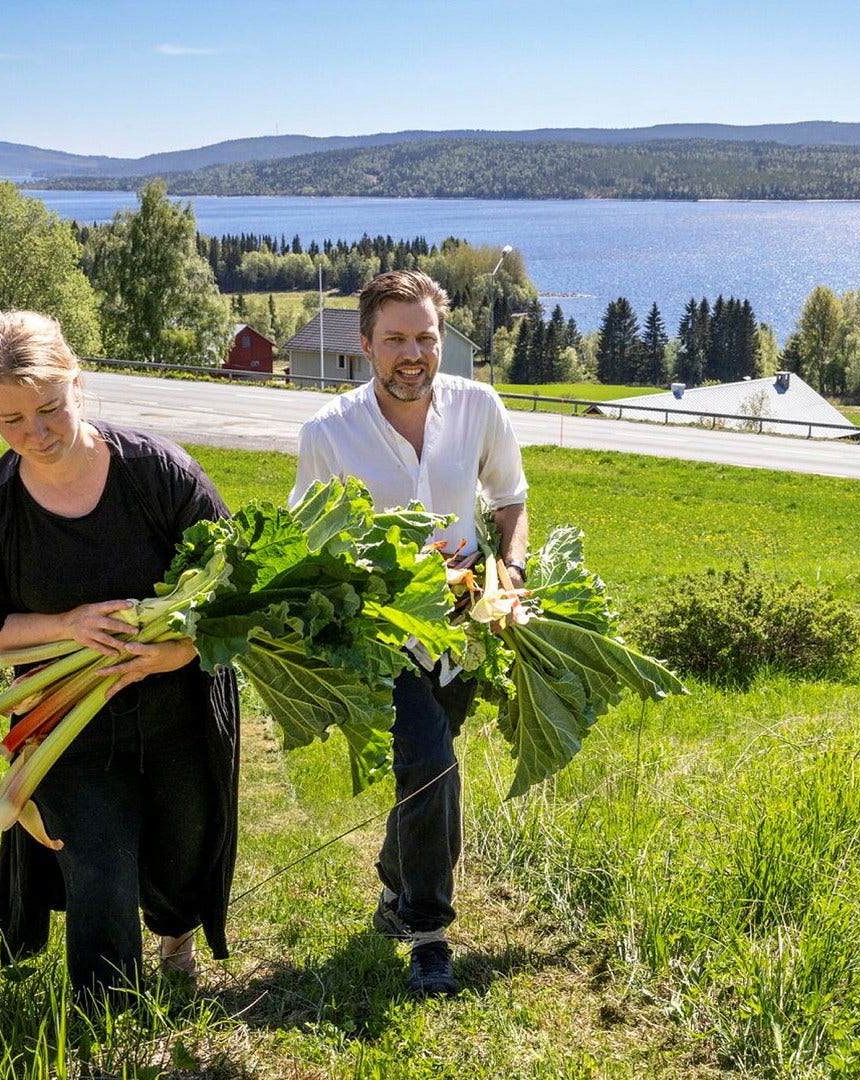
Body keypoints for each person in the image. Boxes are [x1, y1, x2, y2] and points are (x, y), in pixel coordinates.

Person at [0, 309, 241, 1006]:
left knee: (180, 853)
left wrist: (170, 655)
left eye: (50, 408)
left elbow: (233, 599)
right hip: (67, 723)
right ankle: (107, 1018)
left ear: (78, 380)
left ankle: (174, 942)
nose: (36, 434)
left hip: (179, 707)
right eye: (11, 420)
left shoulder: (160, 474)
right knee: (99, 868)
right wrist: (67, 627)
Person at [291, 270, 529, 997]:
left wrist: (511, 571)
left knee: (430, 773)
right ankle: (430, 934)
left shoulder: (479, 407)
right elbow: (309, 546)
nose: (412, 353)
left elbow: (511, 498)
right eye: (394, 338)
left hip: (464, 632)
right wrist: (385, 567)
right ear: (365, 345)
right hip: (380, 637)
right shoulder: (328, 433)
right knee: (431, 767)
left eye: (424, 337)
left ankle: (396, 894)